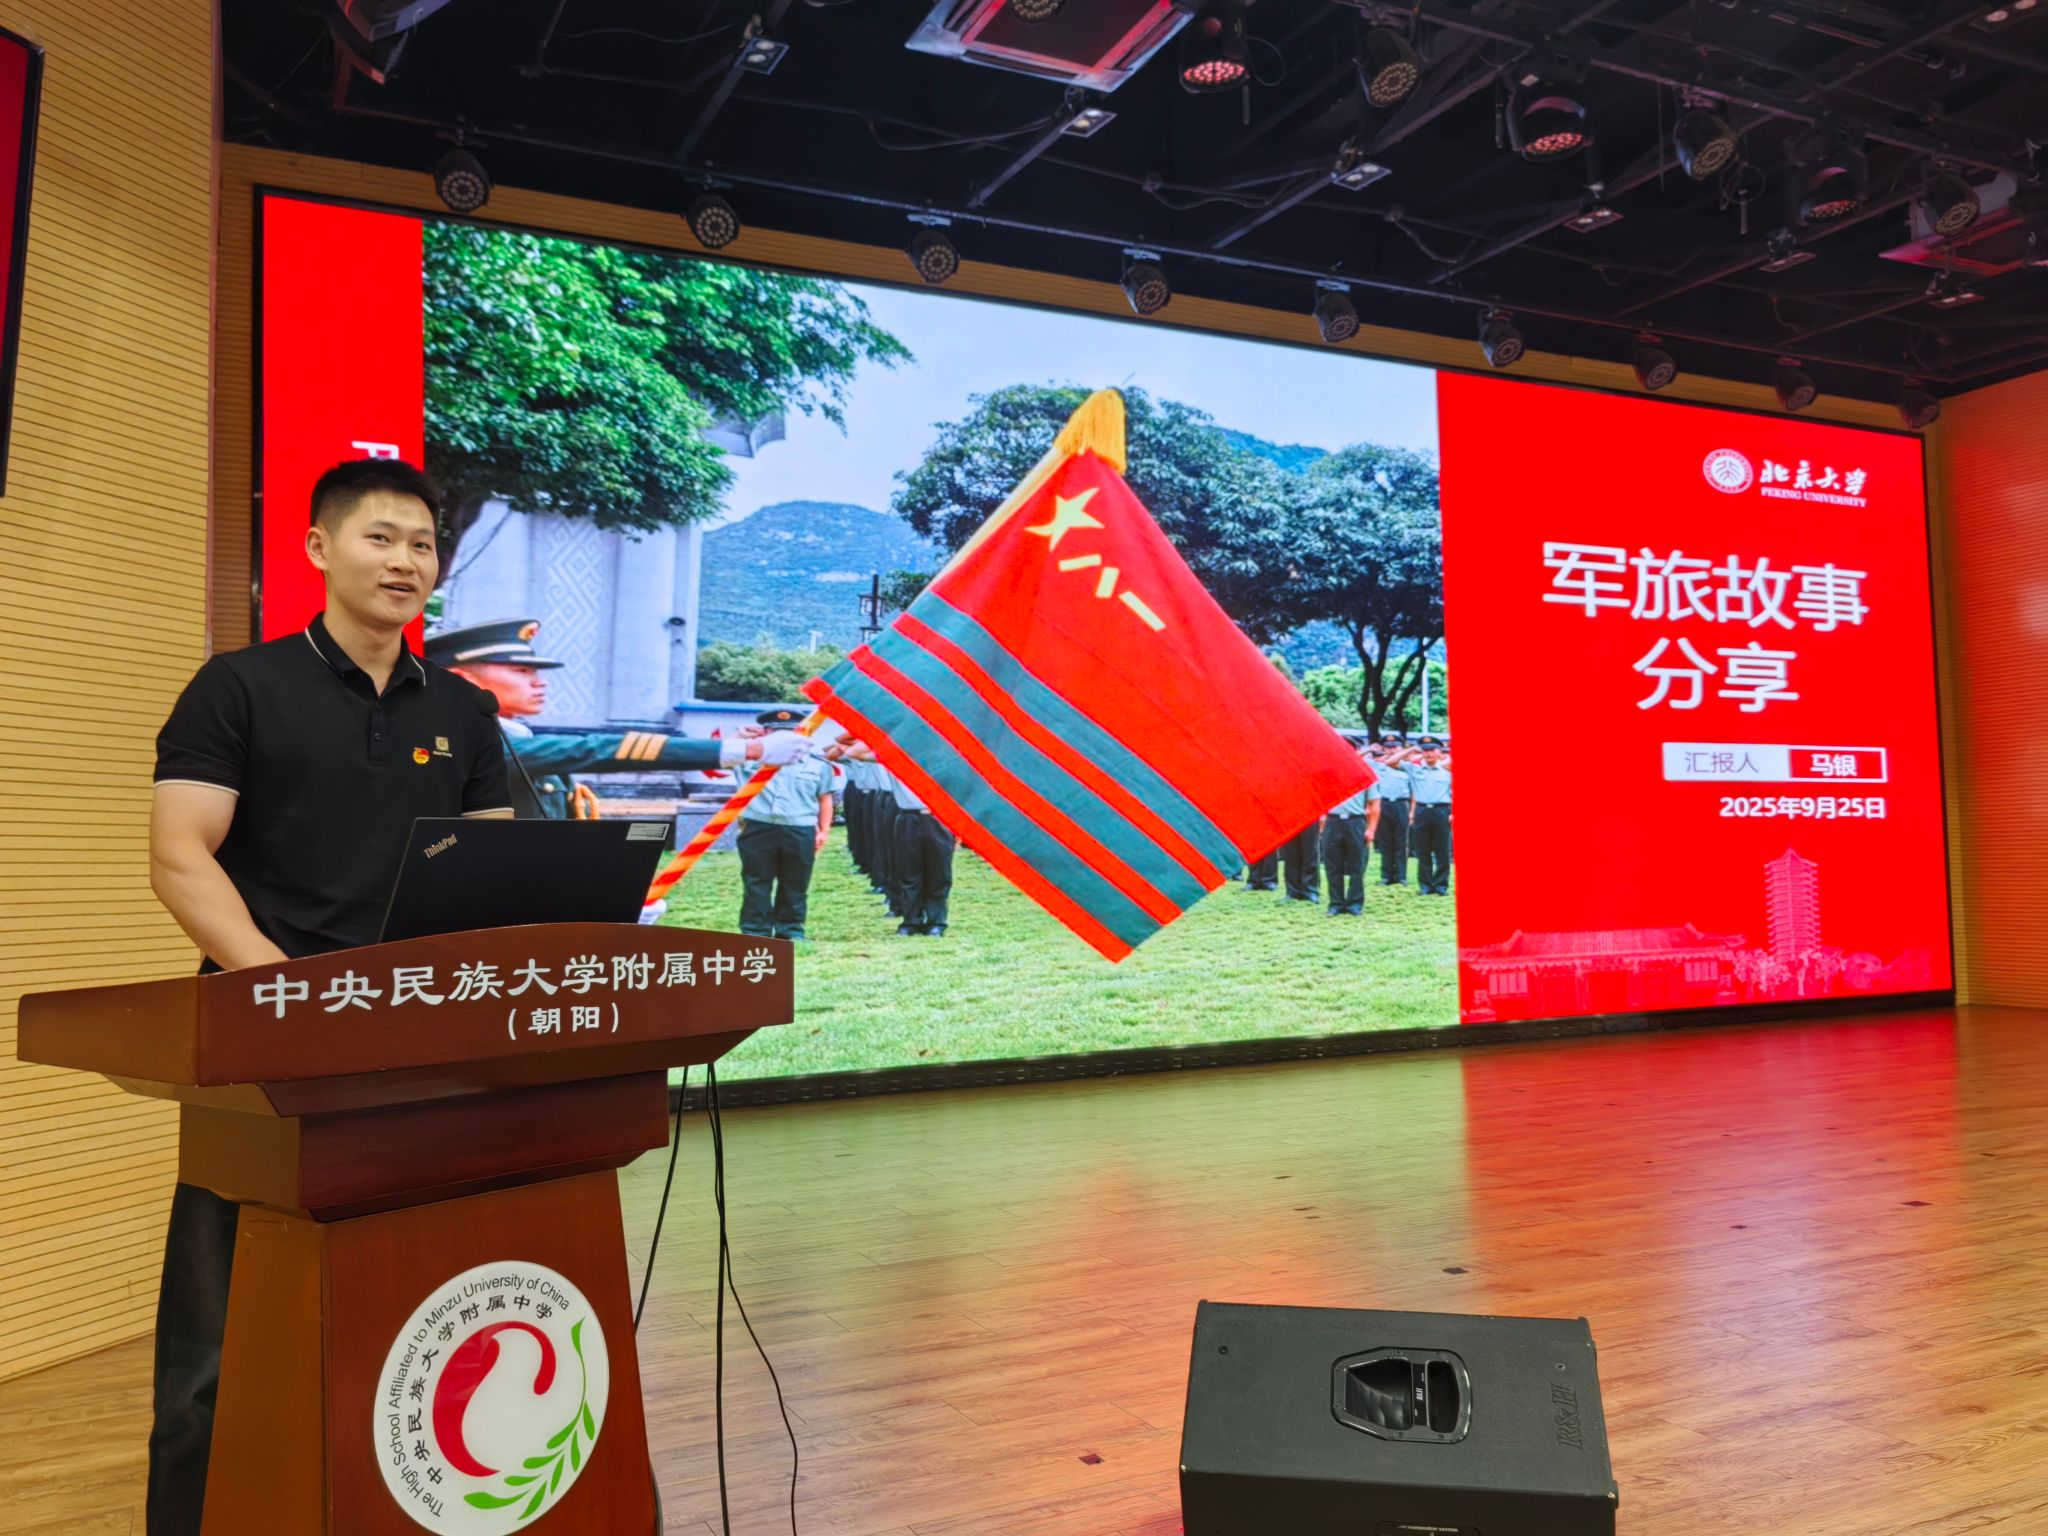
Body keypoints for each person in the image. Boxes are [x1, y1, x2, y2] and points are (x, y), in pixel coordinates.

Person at [147, 459, 513, 1536]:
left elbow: (491, 878)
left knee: (407, 1315)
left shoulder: (464, 709)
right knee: (219, 1340)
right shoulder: (238, 687)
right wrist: (291, 998)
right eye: (379, 538)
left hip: (417, 1054)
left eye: (422, 545)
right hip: (260, 1046)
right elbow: (179, 856)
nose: (405, 562)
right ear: (317, 547)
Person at [423, 618, 809, 820]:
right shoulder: (455, 743)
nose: (539, 682)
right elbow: (595, 749)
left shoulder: (514, 738)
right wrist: (747, 750)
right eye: (522, 671)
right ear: (463, 681)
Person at [735, 706, 836, 941]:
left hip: (799, 829)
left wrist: (824, 831)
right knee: (756, 882)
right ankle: (755, 931)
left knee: (795, 882)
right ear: (765, 733)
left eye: (789, 733)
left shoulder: (817, 764)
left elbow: (825, 799)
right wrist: (740, 736)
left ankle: (790, 931)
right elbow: (719, 753)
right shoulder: (749, 759)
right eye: (775, 732)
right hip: (758, 827)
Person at [1320, 757, 1382, 916]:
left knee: (1357, 866)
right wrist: (1322, 819)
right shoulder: (1328, 776)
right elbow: (1320, 797)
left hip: (1355, 821)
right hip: (1333, 821)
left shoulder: (1365, 775)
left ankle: (1355, 904)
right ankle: (1336, 904)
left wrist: (1371, 829)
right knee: (1333, 866)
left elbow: (1375, 803)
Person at [1408, 735, 1454, 896]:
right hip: (1422, 811)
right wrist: (1411, 750)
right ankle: (1425, 885)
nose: (1428, 754)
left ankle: (1441, 885)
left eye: (1432, 750)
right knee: (1423, 850)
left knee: (1442, 850)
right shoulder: (1415, 769)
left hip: (1441, 811)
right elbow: (1390, 762)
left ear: (1439, 751)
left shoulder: (1447, 771)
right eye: (1425, 750)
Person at [1370, 736, 1413, 887]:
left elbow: (1414, 791)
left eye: (1395, 747)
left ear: (1401, 748)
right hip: (1384, 803)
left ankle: (1401, 876)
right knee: (1385, 842)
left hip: (1401, 804)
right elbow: (1356, 758)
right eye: (1388, 747)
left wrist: (1412, 810)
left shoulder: (1407, 766)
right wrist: (1370, 749)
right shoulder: (1377, 765)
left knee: (1401, 841)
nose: (1391, 750)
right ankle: (1386, 876)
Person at [1277, 816, 1322, 904]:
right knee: (1290, 855)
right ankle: (1293, 892)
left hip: (1309, 815)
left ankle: (1310, 891)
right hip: (1288, 816)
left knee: (1310, 854)